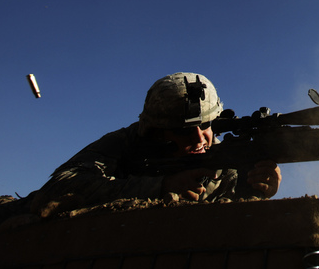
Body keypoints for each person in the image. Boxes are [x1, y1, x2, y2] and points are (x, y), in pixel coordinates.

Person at [29, 72, 281, 216]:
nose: (200, 139)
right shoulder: (127, 142)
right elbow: (59, 186)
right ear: (155, 131)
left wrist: (260, 187)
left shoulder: (221, 158)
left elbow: (235, 213)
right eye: (184, 132)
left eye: (207, 126)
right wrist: (160, 187)